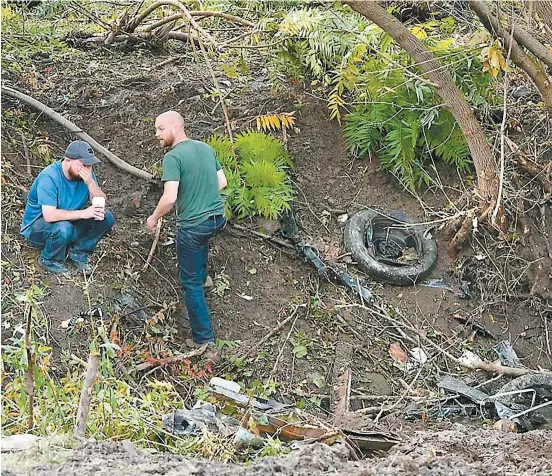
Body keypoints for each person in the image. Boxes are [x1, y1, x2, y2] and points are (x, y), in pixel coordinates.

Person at [146, 111, 227, 358]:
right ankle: (205, 278)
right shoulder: (204, 148)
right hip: (216, 219)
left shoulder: (173, 157)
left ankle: (204, 339)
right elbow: (221, 182)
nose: (156, 134)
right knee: (200, 245)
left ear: (175, 127)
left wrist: (153, 217)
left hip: (193, 225)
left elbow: (169, 197)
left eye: (160, 129)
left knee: (189, 283)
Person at [20, 140, 114, 275]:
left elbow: (101, 200)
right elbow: (50, 215)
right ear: (68, 160)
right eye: (83, 165)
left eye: (90, 166)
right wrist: (84, 213)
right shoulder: (49, 177)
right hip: (40, 229)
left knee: (106, 217)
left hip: (69, 223)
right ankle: (49, 259)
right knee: (64, 228)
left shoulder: (86, 175)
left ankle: (78, 252)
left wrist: (91, 183)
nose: (87, 169)